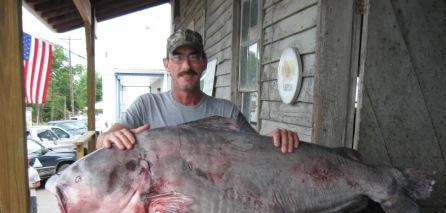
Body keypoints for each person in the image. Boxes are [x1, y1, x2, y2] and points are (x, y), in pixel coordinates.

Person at [97, 29, 299, 153]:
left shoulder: (226, 112)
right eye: (177, 57)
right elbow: (104, 140)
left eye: (193, 57)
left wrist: (276, 138)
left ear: (204, 62)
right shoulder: (145, 106)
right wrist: (106, 138)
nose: (186, 65)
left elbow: (257, 148)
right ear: (166, 64)